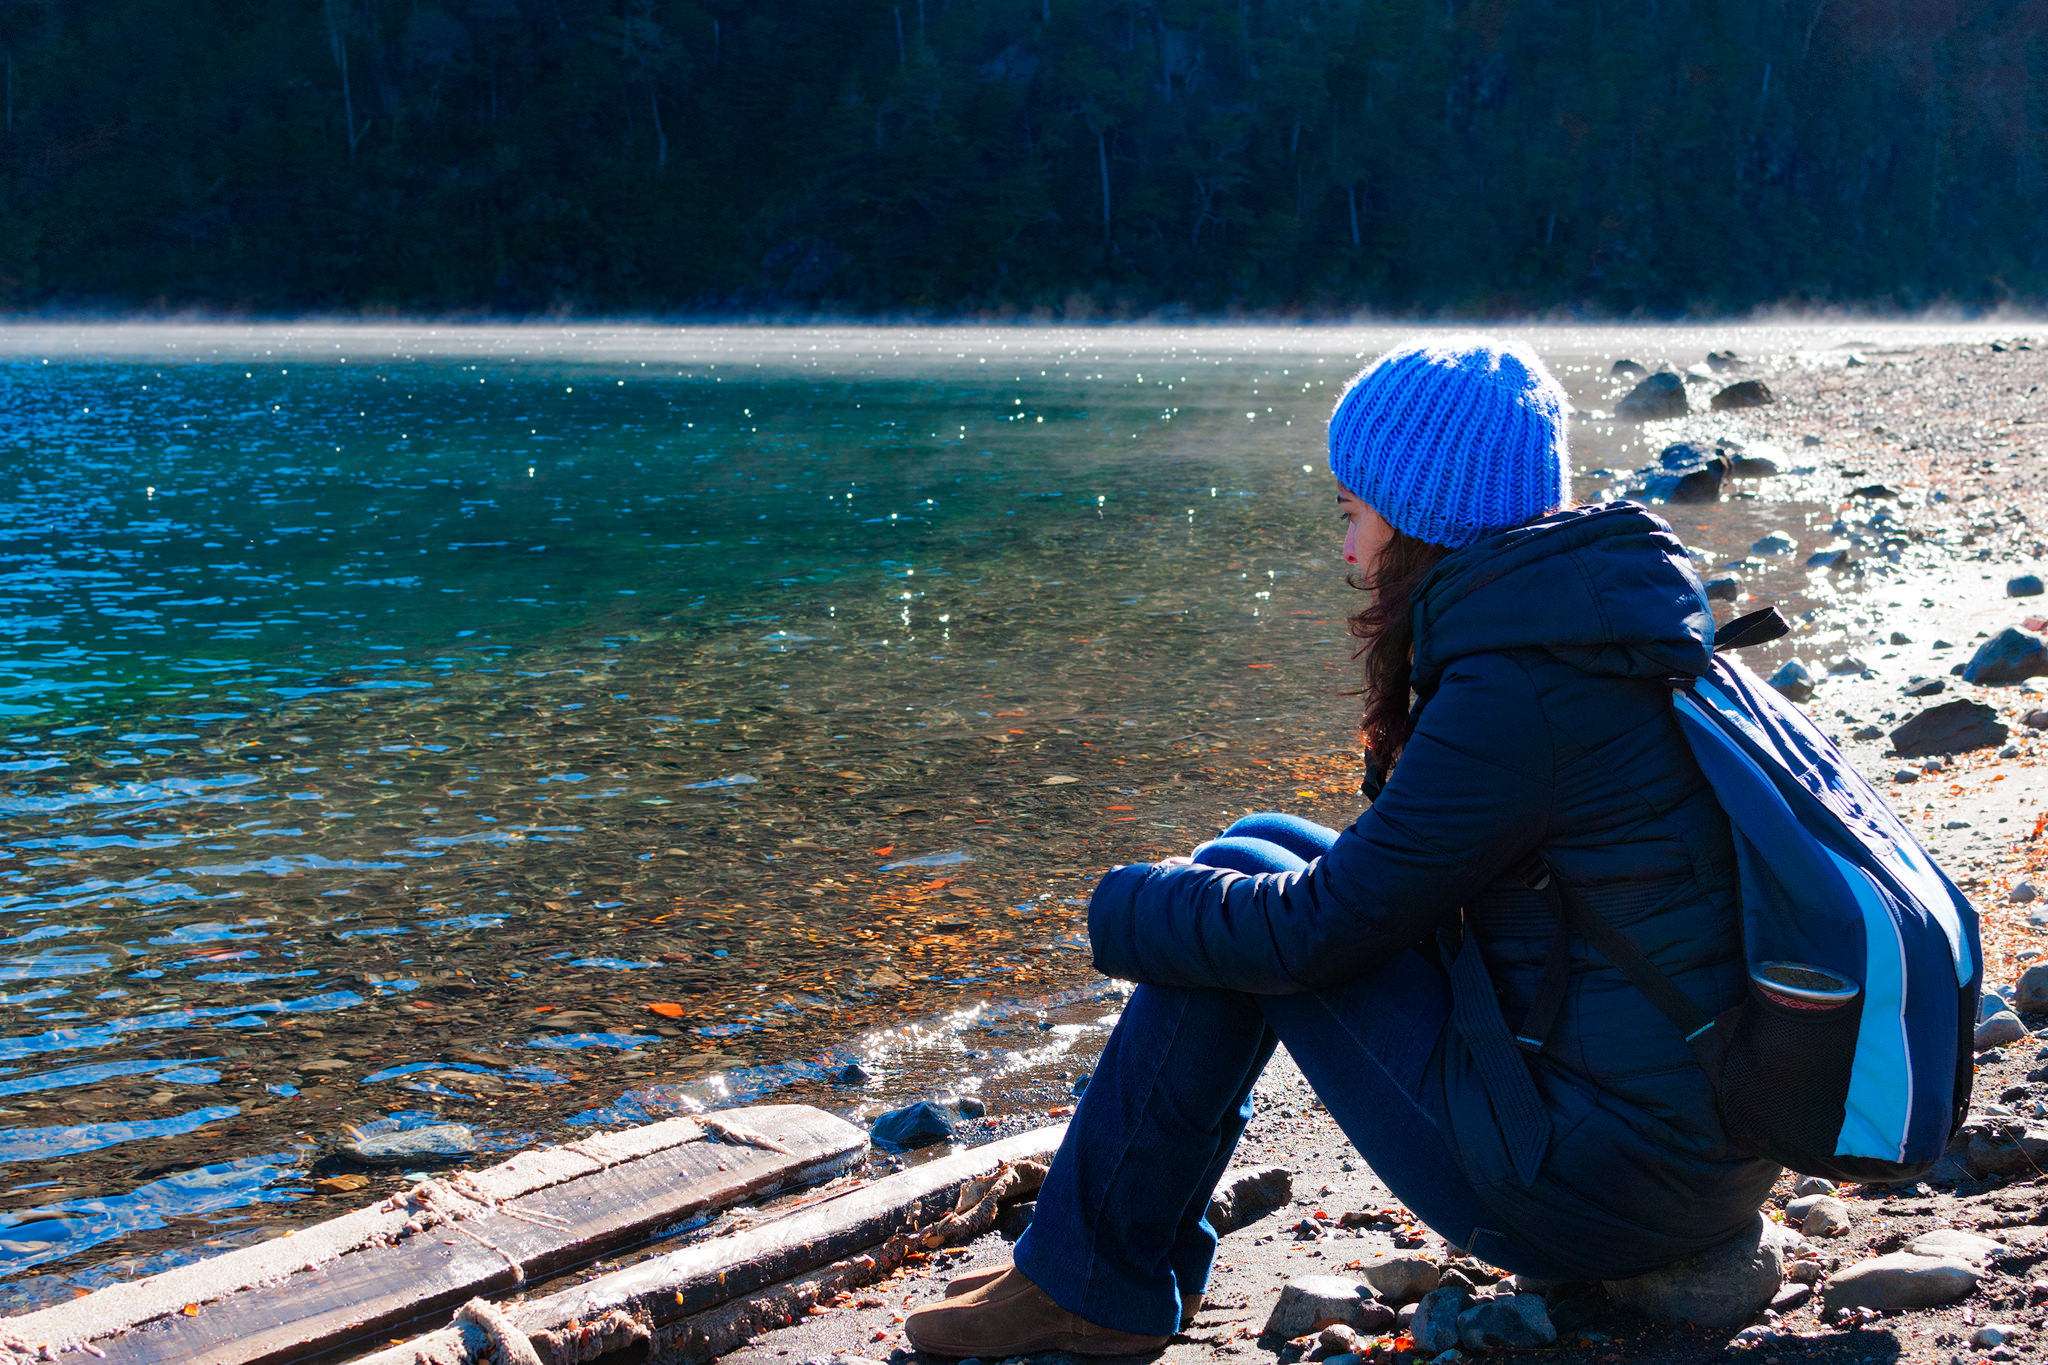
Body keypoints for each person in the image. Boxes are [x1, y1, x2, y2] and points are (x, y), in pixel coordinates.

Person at [903, 337, 1778, 1358]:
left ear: (1422, 520)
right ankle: (1092, 1264)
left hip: (1595, 1189)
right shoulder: (1591, 632)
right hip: (1675, 1149)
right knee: (1256, 849)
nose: (1348, 554)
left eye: (1352, 516)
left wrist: (1116, 907)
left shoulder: (1520, 692)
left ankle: (1092, 1282)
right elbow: (1406, 880)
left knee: (1227, 915)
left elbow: (1315, 934)